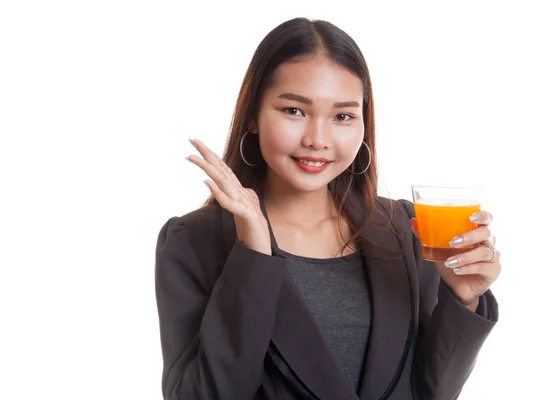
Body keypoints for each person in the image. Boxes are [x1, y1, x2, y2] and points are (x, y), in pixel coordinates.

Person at [154, 17, 501, 400]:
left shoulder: (404, 227)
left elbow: (430, 393)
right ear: (253, 115)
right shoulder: (193, 241)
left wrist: (462, 300)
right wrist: (253, 254)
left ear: (363, 125)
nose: (317, 140)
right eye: (294, 111)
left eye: (342, 116)